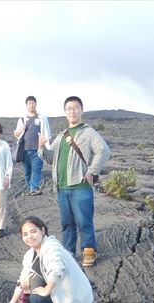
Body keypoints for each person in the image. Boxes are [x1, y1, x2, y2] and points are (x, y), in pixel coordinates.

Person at [38, 96, 111, 267]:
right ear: (65, 112)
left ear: (81, 110)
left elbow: (103, 151)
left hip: (80, 186)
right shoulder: (62, 135)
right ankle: (69, 253)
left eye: (76, 107)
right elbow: (50, 158)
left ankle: (88, 252)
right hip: (62, 187)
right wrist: (41, 147)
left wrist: (92, 171)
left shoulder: (88, 132)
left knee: (84, 222)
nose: (72, 111)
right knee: (66, 224)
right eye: (69, 108)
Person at [0, 216, 93, 303]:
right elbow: (23, 281)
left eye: (33, 231)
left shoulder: (51, 247)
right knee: (30, 292)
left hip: (74, 294)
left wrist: (47, 290)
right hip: (61, 292)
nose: (29, 236)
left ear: (43, 230)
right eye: (25, 234)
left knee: (36, 299)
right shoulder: (30, 255)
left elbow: (57, 269)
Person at [14, 96, 51, 196]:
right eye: (29, 103)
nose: (31, 105)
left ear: (36, 104)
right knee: (27, 171)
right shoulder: (21, 120)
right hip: (24, 150)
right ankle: (29, 187)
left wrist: (45, 146)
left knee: (37, 169)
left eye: (33, 103)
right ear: (26, 105)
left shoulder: (42, 118)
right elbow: (17, 134)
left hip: (37, 149)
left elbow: (47, 134)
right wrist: (21, 130)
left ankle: (34, 188)